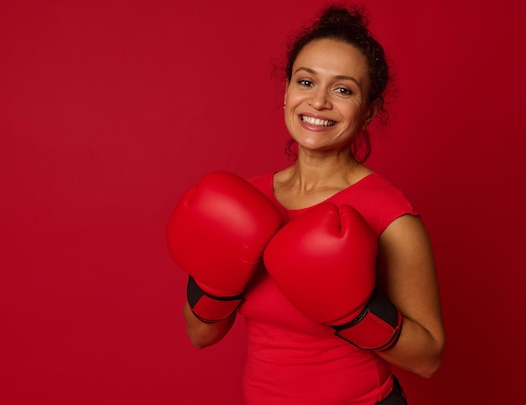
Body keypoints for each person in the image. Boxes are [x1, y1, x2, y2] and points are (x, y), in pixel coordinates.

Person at [167, 4, 445, 404]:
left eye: (343, 89)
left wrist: (356, 315)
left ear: (369, 112)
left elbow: (429, 359)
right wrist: (215, 286)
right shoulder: (246, 200)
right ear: (286, 93)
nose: (318, 102)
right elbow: (200, 334)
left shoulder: (389, 214)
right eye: (306, 82)